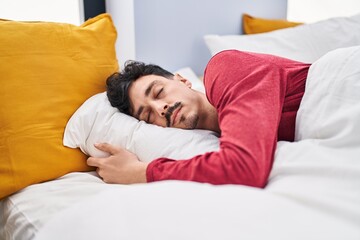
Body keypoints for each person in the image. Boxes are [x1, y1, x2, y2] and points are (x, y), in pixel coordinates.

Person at [86, 50, 310, 188]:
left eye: (158, 92)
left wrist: (140, 172)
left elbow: (244, 168)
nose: (160, 108)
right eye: (148, 115)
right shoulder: (222, 133)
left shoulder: (224, 68)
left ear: (183, 80)